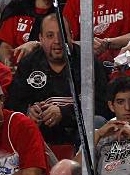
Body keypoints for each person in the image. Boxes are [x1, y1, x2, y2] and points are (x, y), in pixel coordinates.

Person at [7, 13, 110, 147]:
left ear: (71, 36)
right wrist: (28, 111)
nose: (57, 41)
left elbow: (103, 105)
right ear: (41, 39)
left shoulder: (89, 62)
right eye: (50, 36)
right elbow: (13, 103)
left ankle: (84, 167)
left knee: (96, 122)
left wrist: (64, 113)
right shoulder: (29, 63)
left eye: (62, 34)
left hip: (78, 132)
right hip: (40, 132)